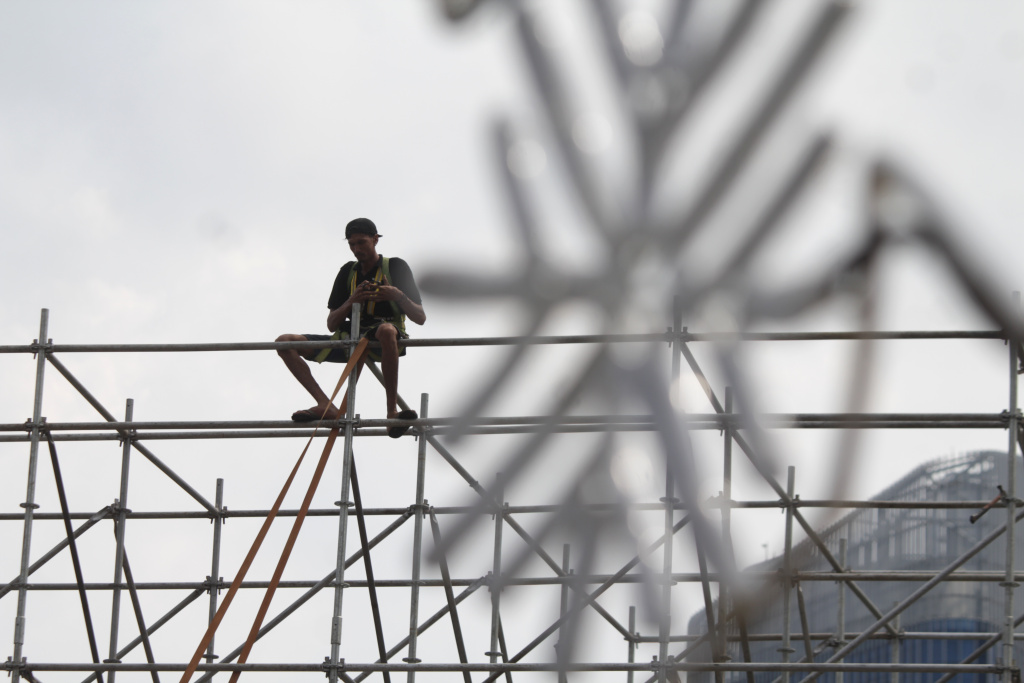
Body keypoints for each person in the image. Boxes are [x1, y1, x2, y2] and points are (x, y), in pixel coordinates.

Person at [277, 218, 426, 437]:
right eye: (352, 244)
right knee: (285, 342)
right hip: (349, 338)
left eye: (362, 243)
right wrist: (351, 301)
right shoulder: (348, 272)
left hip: (383, 339)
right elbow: (331, 324)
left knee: (385, 330)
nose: (356, 249)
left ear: (375, 240)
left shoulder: (395, 266)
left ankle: (392, 412)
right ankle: (324, 405)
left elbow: (420, 317)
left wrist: (397, 295)